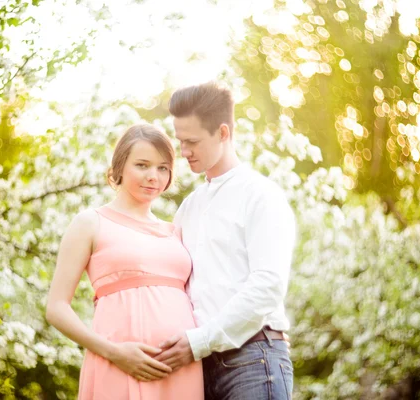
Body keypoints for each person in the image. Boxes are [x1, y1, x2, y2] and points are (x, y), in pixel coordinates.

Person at [155, 82, 296, 400]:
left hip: (253, 358)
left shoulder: (261, 195)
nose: (184, 152)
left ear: (222, 133)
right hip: (198, 368)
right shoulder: (188, 208)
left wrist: (198, 342)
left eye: (192, 141)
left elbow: (267, 286)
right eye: (180, 141)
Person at [45, 124, 204, 400]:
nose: (153, 177)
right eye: (142, 165)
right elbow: (56, 308)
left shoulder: (176, 231)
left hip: (180, 368)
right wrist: (114, 352)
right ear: (119, 167)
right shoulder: (90, 222)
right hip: (119, 363)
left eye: (163, 168)